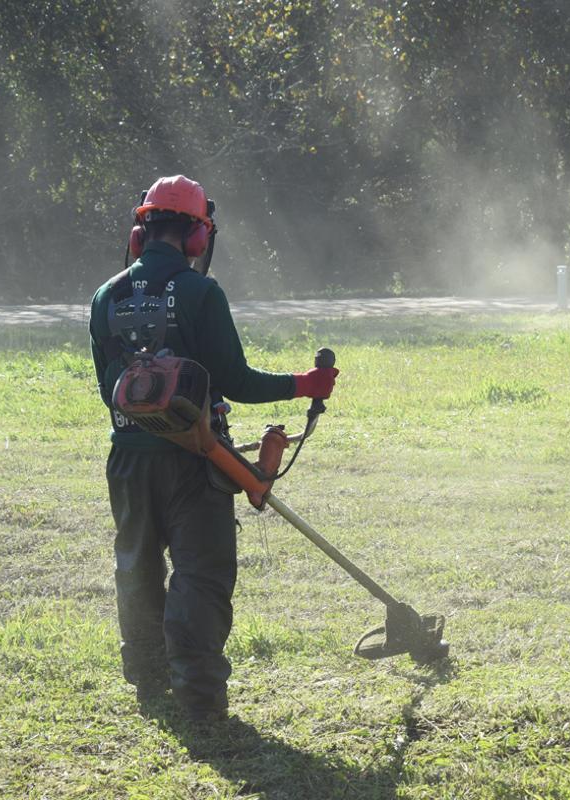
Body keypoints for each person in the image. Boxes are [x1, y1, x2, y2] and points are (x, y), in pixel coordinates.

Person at [89, 175, 337, 721]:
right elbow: (236, 380)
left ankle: (149, 682)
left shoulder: (105, 295)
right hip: (195, 458)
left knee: (136, 567)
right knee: (201, 574)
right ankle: (199, 698)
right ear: (198, 235)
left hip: (127, 459)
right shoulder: (201, 292)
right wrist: (305, 384)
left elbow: (110, 389)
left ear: (140, 231)